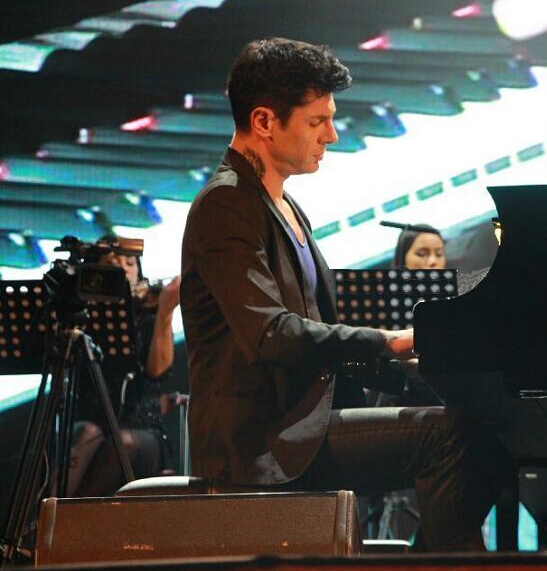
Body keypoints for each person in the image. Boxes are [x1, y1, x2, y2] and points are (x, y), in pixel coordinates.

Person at [180, 38, 505, 552]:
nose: (331, 135)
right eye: (317, 121)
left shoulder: (285, 206)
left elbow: (315, 344)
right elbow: (272, 335)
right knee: (453, 438)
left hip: (300, 428)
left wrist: (417, 365)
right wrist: (388, 341)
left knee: (488, 438)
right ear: (264, 121)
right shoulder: (226, 204)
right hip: (261, 442)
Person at [67, 242, 180, 497]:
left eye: (130, 264)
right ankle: (48, 515)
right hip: (92, 422)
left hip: (141, 431)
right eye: (112, 264)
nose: (124, 269)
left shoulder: (150, 316)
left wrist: (165, 312)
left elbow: (158, 371)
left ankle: (68, 516)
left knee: (121, 442)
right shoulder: (84, 319)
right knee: (87, 433)